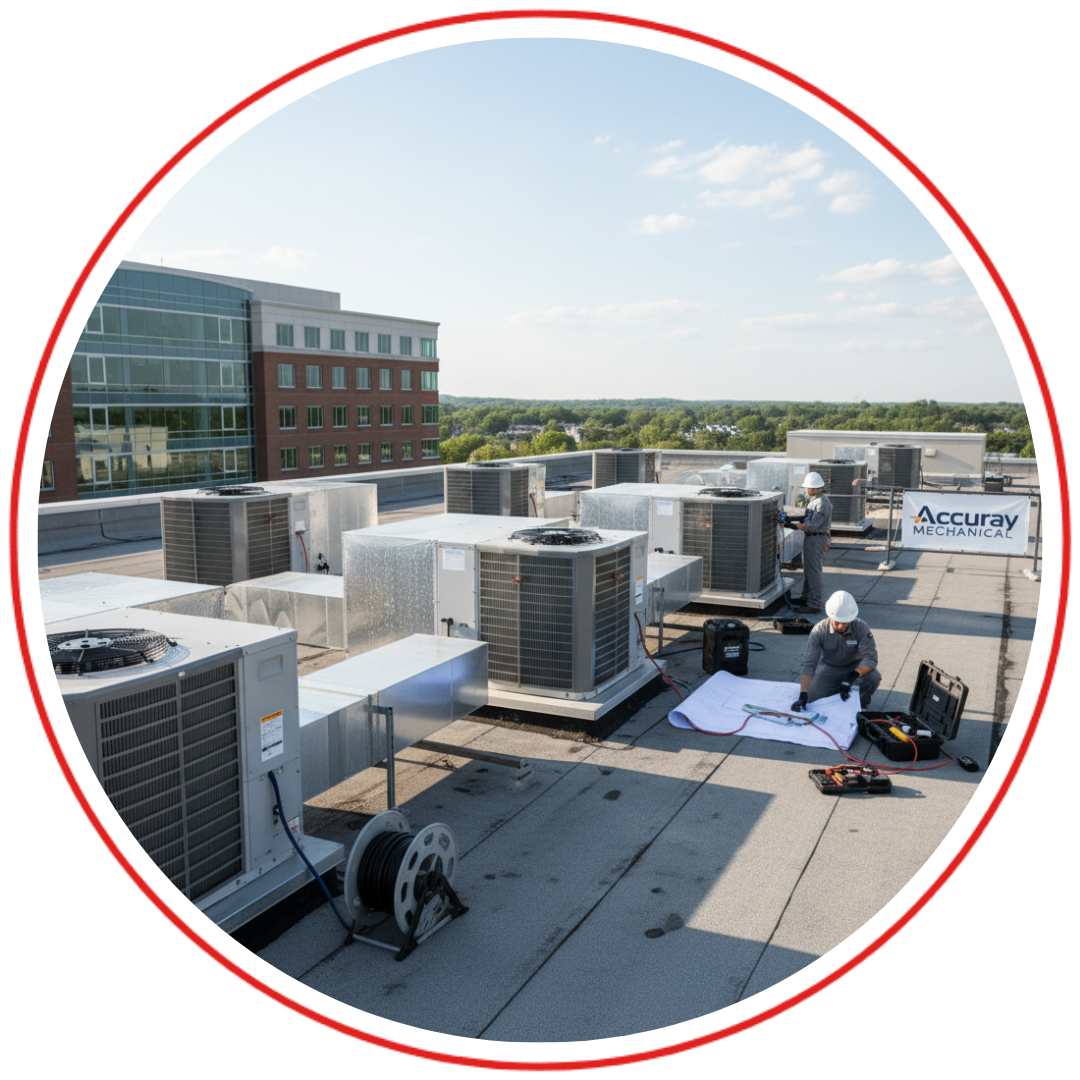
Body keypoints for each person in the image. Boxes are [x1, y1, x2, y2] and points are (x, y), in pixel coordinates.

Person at [791, 590, 881, 712]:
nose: (841, 627)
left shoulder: (861, 627)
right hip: (830, 667)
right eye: (837, 622)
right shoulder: (819, 631)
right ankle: (837, 691)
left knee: (873, 677)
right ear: (830, 616)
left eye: (845, 623)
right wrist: (803, 694)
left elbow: (871, 657)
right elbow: (809, 663)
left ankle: (861, 705)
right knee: (813, 699)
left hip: (855, 667)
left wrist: (851, 677)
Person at [781, 471, 832, 614]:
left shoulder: (821, 503)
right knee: (809, 570)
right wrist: (789, 518)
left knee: (814, 572)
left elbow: (810, 525)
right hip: (812, 538)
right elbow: (806, 516)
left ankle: (814, 604)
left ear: (815, 488)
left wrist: (788, 525)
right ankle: (806, 598)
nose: (808, 490)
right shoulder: (815, 500)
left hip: (817, 539)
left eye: (810, 488)